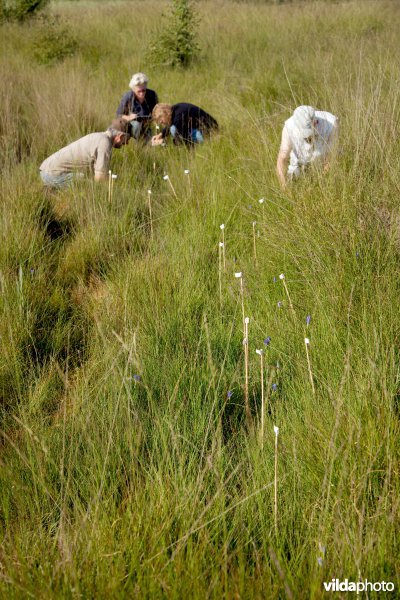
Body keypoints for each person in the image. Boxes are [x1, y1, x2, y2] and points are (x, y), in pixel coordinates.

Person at [39, 118, 131, 188]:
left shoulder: (98, 136)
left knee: (87, 179)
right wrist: (118, 187)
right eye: (127, 139)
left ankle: (51, 189)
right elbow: (100, 179)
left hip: (47, 171)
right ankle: (51, 190)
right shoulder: (105, 144)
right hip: (51, 175)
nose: (127, 143)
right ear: (120, 136)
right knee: (86, 183)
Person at [276, 105, 339, 189]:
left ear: (315, 122)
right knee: (293, 183)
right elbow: (282, 158)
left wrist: (319, 181)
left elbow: (332, 156)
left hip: (322, 166)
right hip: (298, 165)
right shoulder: (289, 126)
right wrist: (283, 186)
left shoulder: (331, 123)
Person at [151, 102, 218, 146]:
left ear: (165, 113)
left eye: (161, 119)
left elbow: (180, 141)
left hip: (209, 132)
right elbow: (171, 123)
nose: (161, 122)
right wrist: (161, 135)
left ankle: (204, 143)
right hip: (207, 128)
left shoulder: (178, 117)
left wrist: (162, 143)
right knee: (173, 128)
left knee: (173, 129)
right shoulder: (175, 110)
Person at [116, 72, 158, 141]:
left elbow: (157, 112)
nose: (142, 93)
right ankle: (138, 141)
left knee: (156, 130)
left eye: (144, 90)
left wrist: (154, 119)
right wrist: (129, 117)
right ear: (133, 89)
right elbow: (118, 115)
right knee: (136, 125)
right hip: (133, 124)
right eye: (139, 91)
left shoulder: (152, 95)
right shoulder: (128, 97)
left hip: (149, 123)